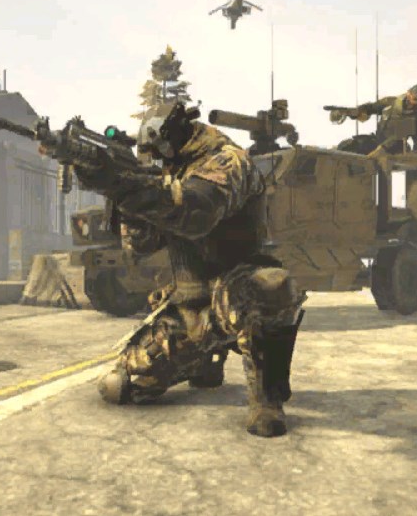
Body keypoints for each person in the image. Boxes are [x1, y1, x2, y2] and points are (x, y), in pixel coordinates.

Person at [72, 100, 306, 437]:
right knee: (120, 385)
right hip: (191, 303)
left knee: (272, 286)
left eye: (159, 150)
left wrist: (130, 186)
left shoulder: (228, 160)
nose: (156, 159)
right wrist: (123, 194)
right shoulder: (171, 170)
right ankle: (202, 361)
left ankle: (267, 401)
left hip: (235, 290)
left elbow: (195, 212)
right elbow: (142, 245)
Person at [332, 83, 417, 155]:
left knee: (379, 155)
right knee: (347, 146)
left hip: (397, 148)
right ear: (408, 93)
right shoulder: (391, 102)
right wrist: (348, 112)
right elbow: (370, 109)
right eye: (414, 98)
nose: (414, 102)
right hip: (378, 141)